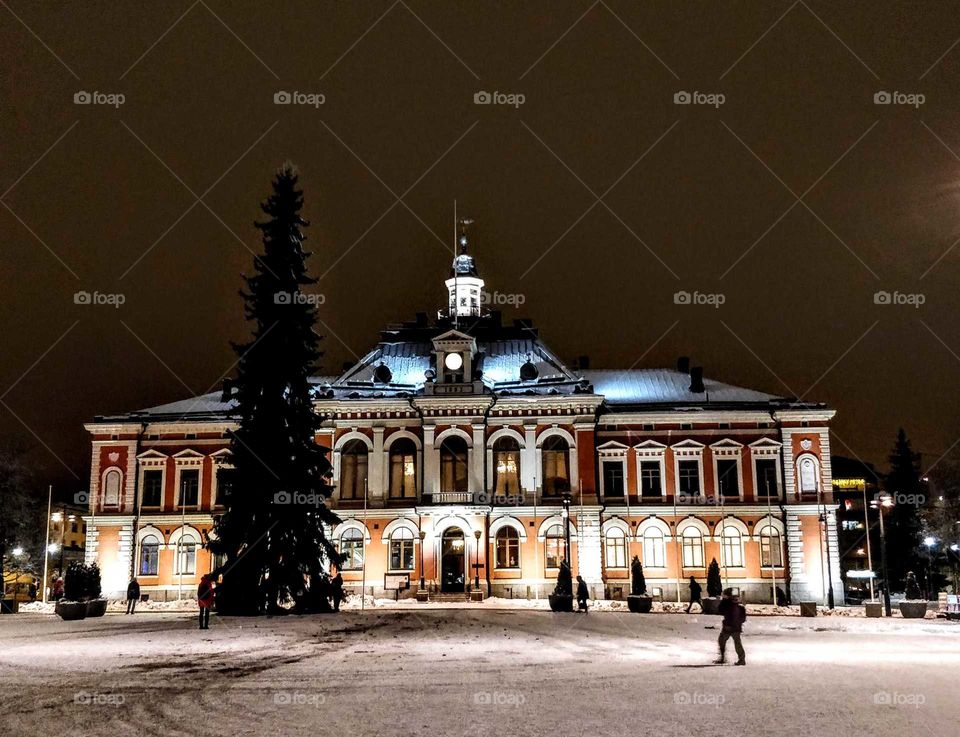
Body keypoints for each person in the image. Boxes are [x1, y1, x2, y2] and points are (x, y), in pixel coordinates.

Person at [715, 588, 746, 665]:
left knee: (722, 641)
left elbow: (720, 610)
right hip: (736, 628)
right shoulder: (740, 607)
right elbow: (743, 618)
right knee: (737, 643)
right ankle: (741, 659)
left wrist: (723, 601)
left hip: (728, 627)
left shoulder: (727, 605)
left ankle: (723, 658)